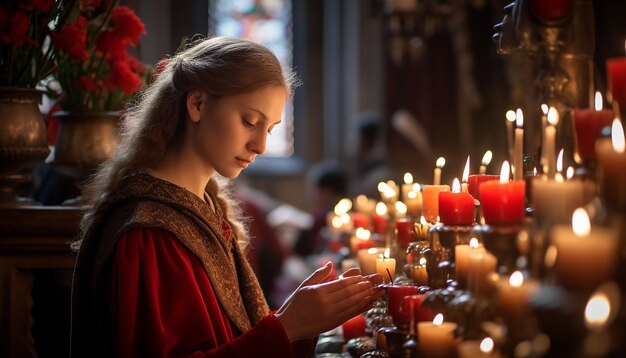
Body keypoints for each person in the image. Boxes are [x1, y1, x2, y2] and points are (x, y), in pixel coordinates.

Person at [70, 37, 384, 357]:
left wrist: (299, 319)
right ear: (197, 104)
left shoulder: (202, 206)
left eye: (270, 129)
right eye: (250, 121)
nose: (260, 145)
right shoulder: (149, 230)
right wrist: (286, 327)